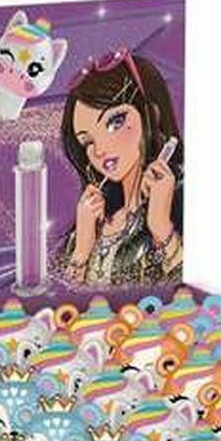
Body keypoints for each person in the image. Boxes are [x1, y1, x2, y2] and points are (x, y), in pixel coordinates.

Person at [56, 49, 184, 286]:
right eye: (88, 141)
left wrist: (160, 226)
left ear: (152, 114)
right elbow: (62, 298)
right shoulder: (93, 217)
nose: (99, 150)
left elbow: (187, 294)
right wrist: (82, 248)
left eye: (114, 122)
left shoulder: (179, 201)